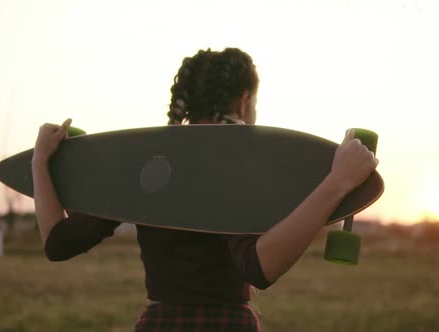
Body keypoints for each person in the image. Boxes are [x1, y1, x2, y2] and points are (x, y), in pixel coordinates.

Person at [31, 47, 378, 332]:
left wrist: (40, 162)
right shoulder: (234, 164)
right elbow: (260, 267)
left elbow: (58, 243)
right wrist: (338, 182)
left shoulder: (144, 162)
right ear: (244, 101)